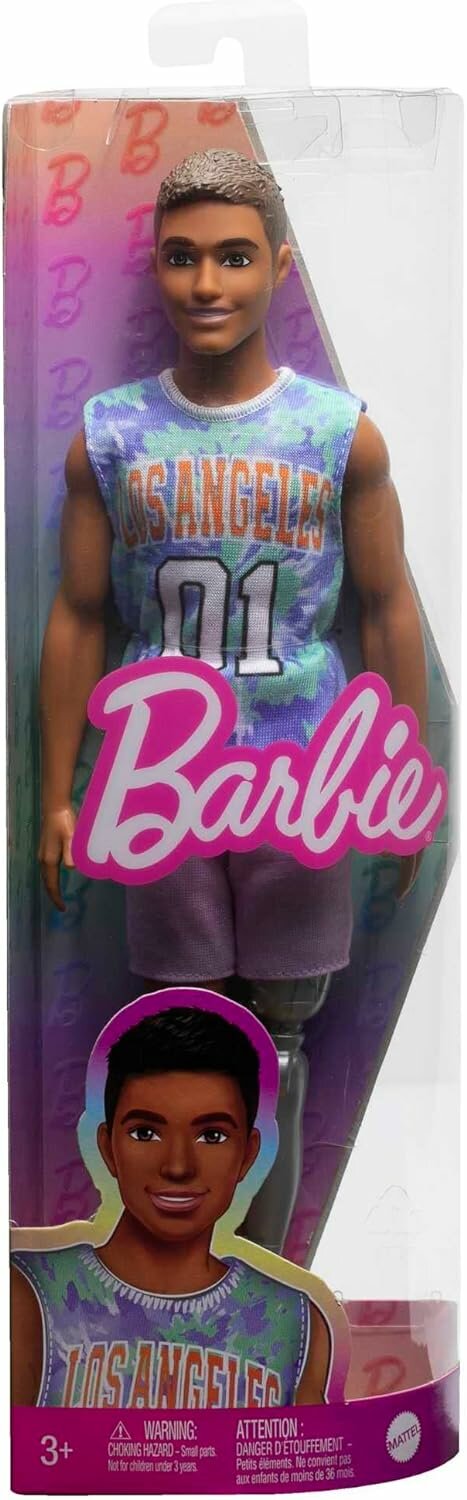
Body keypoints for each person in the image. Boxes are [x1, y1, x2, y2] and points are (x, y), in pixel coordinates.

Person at [38, 148, 427, 1249]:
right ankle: (187, 1275)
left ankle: (266, 1269)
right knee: (182, 1037)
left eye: (234, 256)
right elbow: (79, 616)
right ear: (155, 268)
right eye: (181, 256)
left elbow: (387, 609)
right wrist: (57, 794)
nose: (207, 283)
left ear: (278, 266)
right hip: (161, 786)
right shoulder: (112, 434)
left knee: (285, 1040)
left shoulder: (335, 431)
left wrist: (399, 780)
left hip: (300, 779)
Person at [11, 1005, 331, 1409]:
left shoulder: (293, 1322)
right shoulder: (32, 1293)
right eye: (145, 1133)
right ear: (108, 1147)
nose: (178, 1166)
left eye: (212, 1136)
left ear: (248, 1154)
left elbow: (312, 1449)